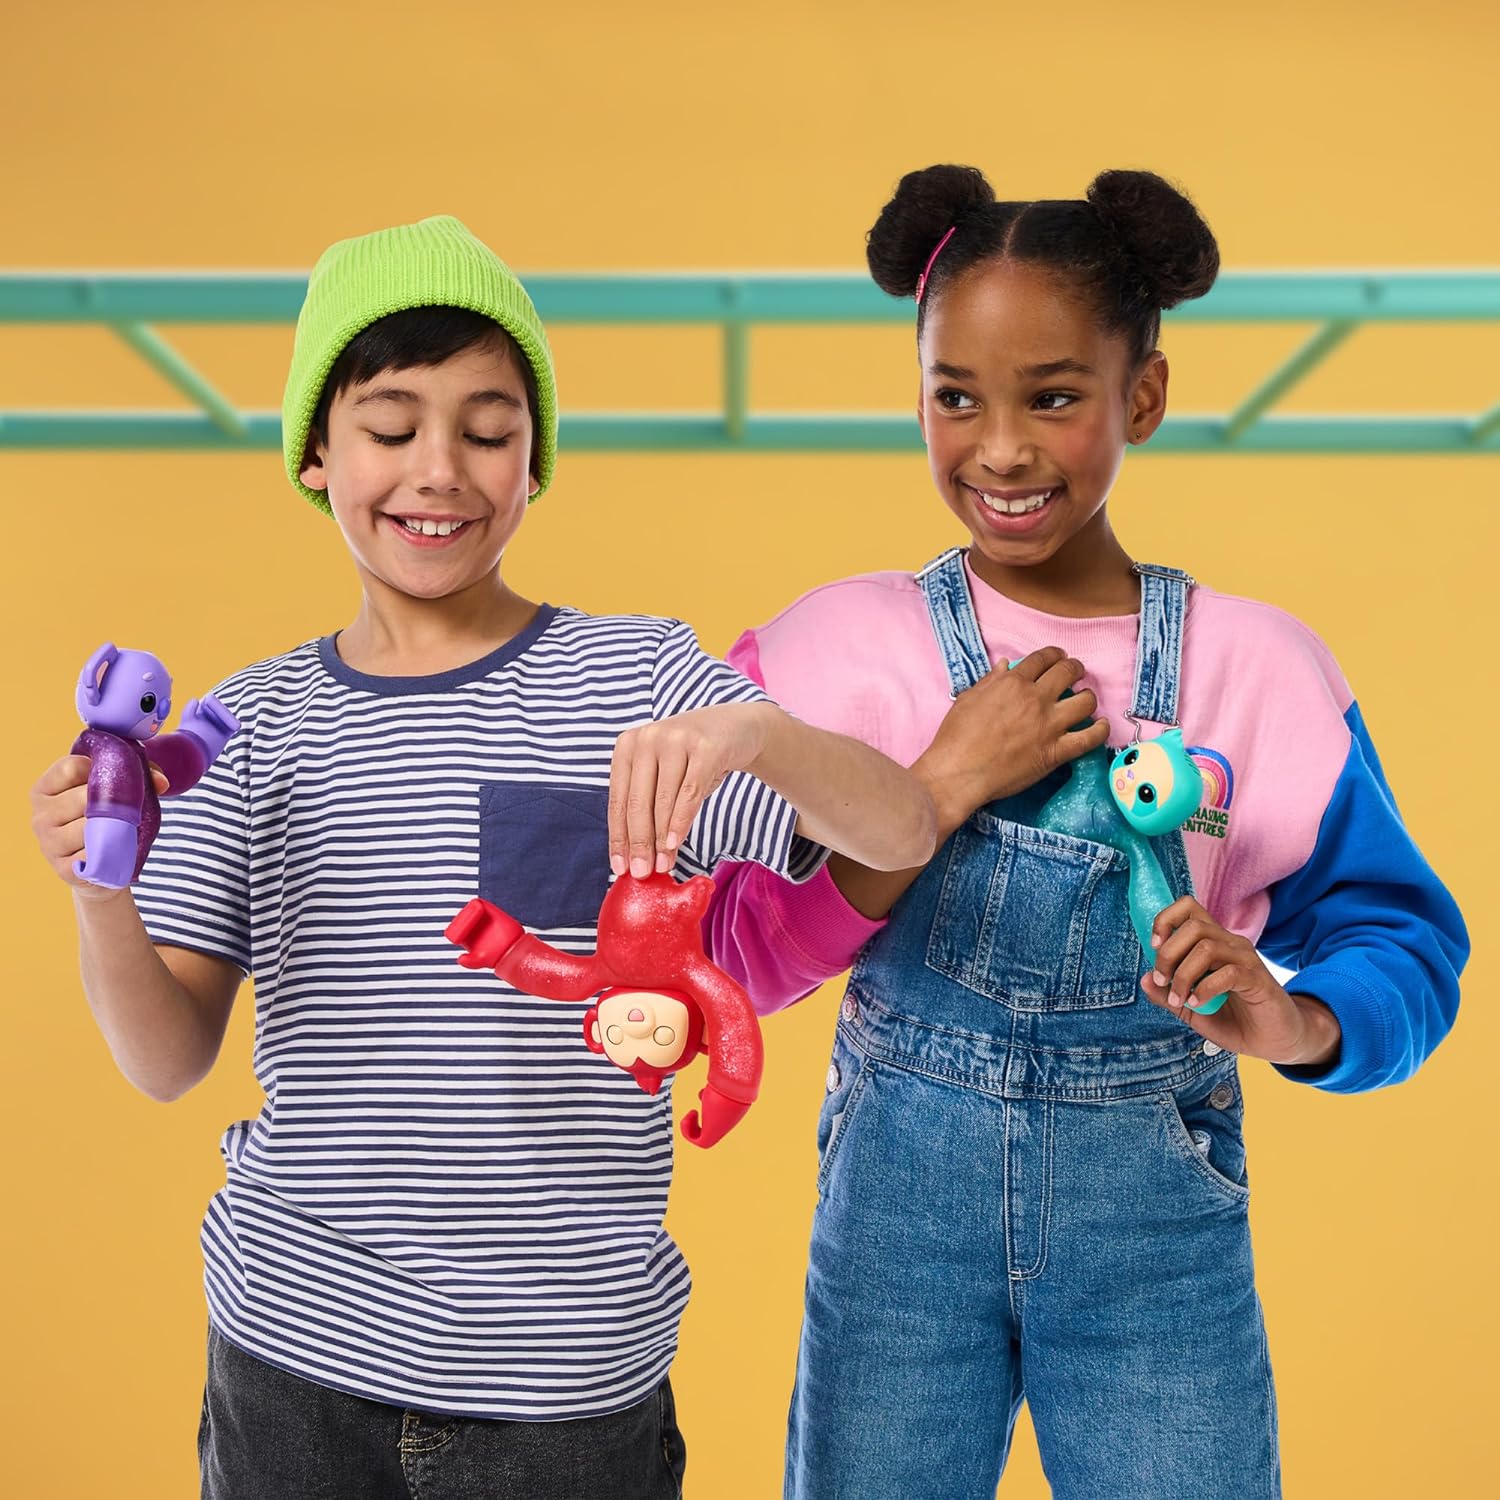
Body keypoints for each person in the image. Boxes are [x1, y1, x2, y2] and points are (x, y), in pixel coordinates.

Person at [28, 214, 935, 1500]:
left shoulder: (637, 678)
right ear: (316, 454)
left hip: (565, 1390)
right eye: (391, 429)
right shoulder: (251, 727)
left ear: (535, 459)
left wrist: (758, 732)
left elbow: (899, 831)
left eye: (488, 430)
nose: (439, 471)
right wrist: (97, 896)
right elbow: (165, 1059)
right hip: (292, 1364)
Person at [704, 165, 1469, 1500]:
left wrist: (1297, 1020)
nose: (1000, 448)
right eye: (956, 397)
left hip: (1154, 1245)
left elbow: (1402, 940)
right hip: (896, 1236)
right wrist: (932, 791)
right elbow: (731, 956)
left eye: (1052, 397)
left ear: (1144, 396)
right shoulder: (830, 658)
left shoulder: (1258, 671)